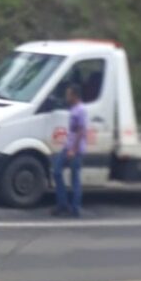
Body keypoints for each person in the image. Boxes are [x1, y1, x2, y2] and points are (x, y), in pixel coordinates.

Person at [52, 83, 87, 218]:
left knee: (74, 178)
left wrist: (73, 149)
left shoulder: (81, 110)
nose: (66, 97)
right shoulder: (74, 109)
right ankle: (62, 203)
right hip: (68, 146)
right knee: (56, 172)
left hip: (75, 149)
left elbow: (80, 131)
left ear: (74, 95)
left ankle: (75, 208)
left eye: (68, 94)